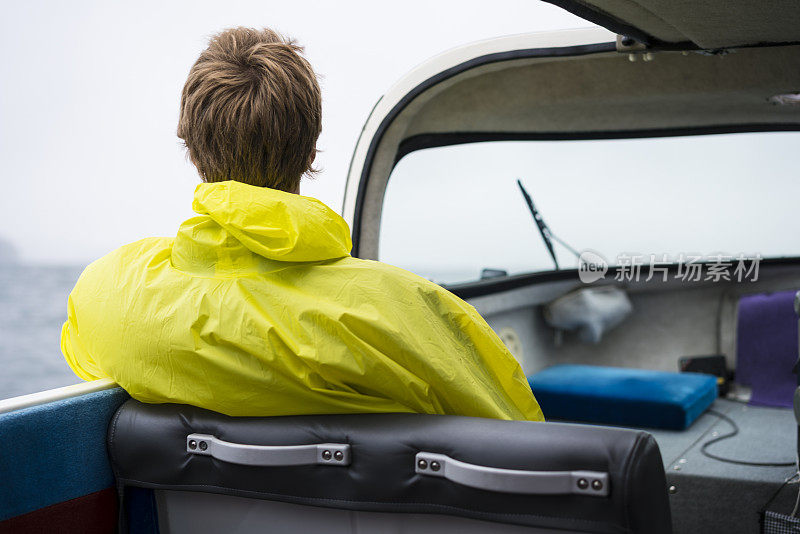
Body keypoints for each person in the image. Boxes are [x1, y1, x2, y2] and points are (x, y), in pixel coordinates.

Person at [60, 27, 543, 421]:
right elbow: (518, 443)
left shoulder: (107, 292)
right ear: (312, 151)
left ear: (190, 147)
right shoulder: (409, 313)